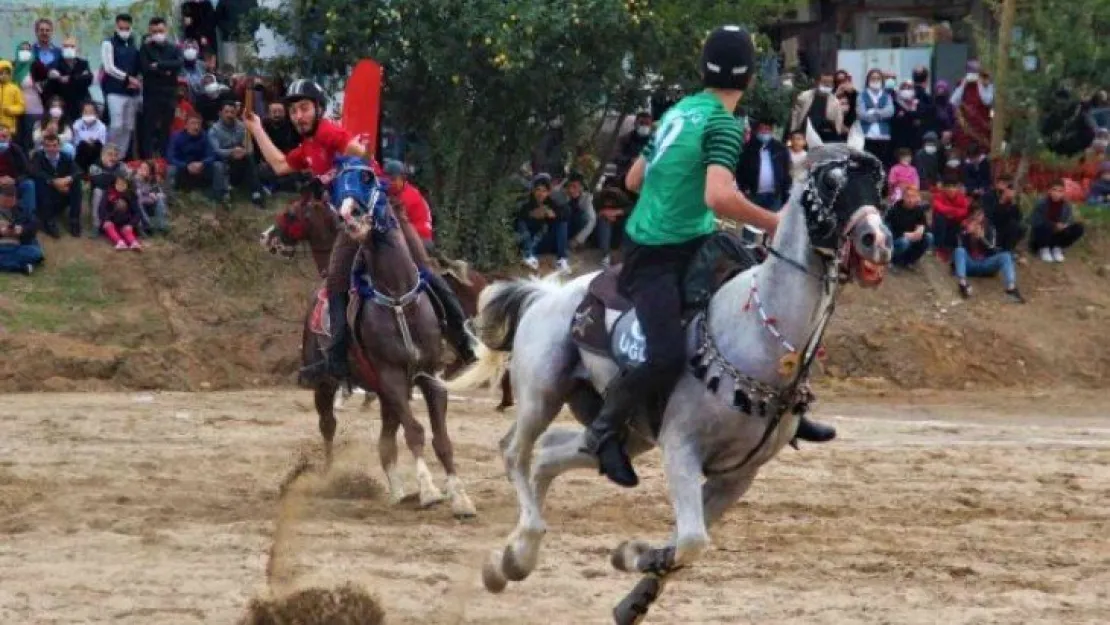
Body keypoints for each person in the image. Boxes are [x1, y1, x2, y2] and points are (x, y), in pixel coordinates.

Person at [580, 25, 836, 489]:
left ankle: (790, 413)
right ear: (751, 78)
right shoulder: (722, 124)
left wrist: (678, 197)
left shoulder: (681, 110)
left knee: (765, 308)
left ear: (704, 70)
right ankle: (602, 432)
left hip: (689, 243)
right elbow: (718, 196)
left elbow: (636, 180)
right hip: (657, 256)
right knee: (665, 355)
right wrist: (778, 222)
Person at [244, 79, 477, 383]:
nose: (298, 116)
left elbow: (358, 152)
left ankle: (464, 341)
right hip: (351, 222)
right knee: (336, 283)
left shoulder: (329, 133)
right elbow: (278, 165)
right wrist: (255, 127)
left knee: (424, 269)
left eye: (304, 108)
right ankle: (337, 360)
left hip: (385, 212)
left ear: (318, 109)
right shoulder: (308, 148)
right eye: (293, 111)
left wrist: (351, 165)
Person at [954, 207, 1024, 303]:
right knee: (959, 251)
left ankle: (1011, 288)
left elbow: (993, 250)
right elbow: (958, 248)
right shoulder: (964, 226)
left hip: (986, 263)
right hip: (970, 264)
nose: (977, 218)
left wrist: (982, 238)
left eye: (980, 214)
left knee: (1005, 256)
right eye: (975, 215)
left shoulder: (990, 228)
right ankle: (963, 284)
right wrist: (967, 234)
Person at [139, 16, 183, 158]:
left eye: (161, 30)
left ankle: (165, 157)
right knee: (148, 129)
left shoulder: (173, 48)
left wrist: (158, 65)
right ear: (150, 32)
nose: (158, 33)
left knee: (167, 128)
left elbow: (179, 64)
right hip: (151, 94)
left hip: (169, 93)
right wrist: (167, 69)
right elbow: (145, 68)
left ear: (166, 30)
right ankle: (147, 159)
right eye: (155, 31)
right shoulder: (145, 48)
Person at [101, 13, 143, 160]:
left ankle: (120, 159)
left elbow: (138, 67)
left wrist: (137, 80)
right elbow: (109, 68)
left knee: (128, 127)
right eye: (121, 28)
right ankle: (107, 157)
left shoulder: (133, 45)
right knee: (116, 125)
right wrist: (127, 78)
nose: (124, 30)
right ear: (116, 27)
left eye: (127, 28)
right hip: (115, 91)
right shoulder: (108, 43)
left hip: (131, 93)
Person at [208, 100, 264, 206]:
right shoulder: (214, 130)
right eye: (227, 112)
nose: (230, 115)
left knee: (249, 157)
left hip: (240, 160)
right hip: (222, 161)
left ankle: (256, 193)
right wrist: (232, 152)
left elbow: (249, 146)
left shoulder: (242, 127)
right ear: (220, 113)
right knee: (219, 164)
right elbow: (216, 151)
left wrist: (243, 151)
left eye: (232, 112)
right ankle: (224, 194)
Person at [31, 132, 82, 237]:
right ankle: (48, 221)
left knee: (77, 182)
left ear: (59, 146)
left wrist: (67, 179)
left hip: (64, 192)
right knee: (40, 181)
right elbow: (36, 172)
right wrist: (54, 182)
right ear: (43, 147)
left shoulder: (66, 156)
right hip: (46, 195)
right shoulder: (38, 156)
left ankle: (74, 220)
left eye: (54, 145)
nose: (51, 149)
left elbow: (78, 171)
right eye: (48, 146)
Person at [167, 114, 223, 199]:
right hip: (183, 169)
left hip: (200, 169)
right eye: (193, 123)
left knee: (218, 166)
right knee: (171, 169)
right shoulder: (176, 136)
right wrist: (186, 166)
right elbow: (170, 157)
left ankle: (216, 196)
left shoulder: (205, 136)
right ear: (185, 125)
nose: (196, 127)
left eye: (198, 124)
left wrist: (202, 163)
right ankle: (171, 197)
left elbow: (212, 155)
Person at [1030, 180, 1085, 263]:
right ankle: (1044, 249)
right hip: (1043, 234)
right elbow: (1035, 220)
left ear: (1063, 193)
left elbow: (1070, 220)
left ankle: (1057, 248)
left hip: (1058, 232)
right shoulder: (1042, 203)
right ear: (1049, 191)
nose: (1056, 193)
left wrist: (1064, 225)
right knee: (1043, 226)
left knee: (1079, 228)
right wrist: (1053, 225)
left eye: (1060, 191)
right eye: (1054, 190)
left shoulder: (1066, 205)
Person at [47, 37, 93, 121]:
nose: (69, 49)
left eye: (72, 46)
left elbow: (88, 80)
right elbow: (52, 87)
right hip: (63, 106)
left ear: (77, 48)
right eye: (66, 46)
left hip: (81, 104)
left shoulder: (83, 63)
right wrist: (79, 77)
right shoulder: (54, 64)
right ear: (62, 48)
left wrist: (69, 78)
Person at [0, 184, 43, 275]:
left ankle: (9, 262)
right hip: (2, 246)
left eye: (10, 202)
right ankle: (22, 267)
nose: (8, 206)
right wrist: (1, 232)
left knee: (35, 252)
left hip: (19, 245)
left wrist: (22, 230)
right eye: (5, 203)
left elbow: (35, 225)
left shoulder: (23, 209)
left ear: (15, 199)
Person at [886, 186, 932, 268]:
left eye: (913, 197)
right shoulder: (895, 209)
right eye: (908, 196)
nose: (910, 200)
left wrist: (921, 229)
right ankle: (892, 260)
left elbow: (925, 226)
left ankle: (909, 261)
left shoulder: (919, 210)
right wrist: (906, 234)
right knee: (904, 242)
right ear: (903, 197)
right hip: (896, 240)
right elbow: (890, 230)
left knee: (929, 237)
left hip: (912, 238)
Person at [98, 175, 143, 251]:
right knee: (109, 226)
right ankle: (119, 242)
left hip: (126, 222)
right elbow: (101, 208)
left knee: (127, 230)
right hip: (112, 221)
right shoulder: (108, 193)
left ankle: (134, 243)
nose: (120, 186)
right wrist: (106, 220)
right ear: (114, 184)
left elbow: (137, 213)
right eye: (118, 184)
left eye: (123, 184)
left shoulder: (131, 195)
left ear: (127, 185)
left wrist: (131, 224)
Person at [72, 100, 107, 171]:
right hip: (81, 151)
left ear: (96, 114)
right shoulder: (77, 124)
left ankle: (95, 171)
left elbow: (102, 143)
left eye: (91, 112)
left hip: (96, 150)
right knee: (83, 145)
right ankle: (81, 172)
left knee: (97, 144)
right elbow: (76, 142)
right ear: (82, 113)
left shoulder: (102, 126)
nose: (88, 114)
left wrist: (93, 142)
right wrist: (86, 141)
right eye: (85, 112)